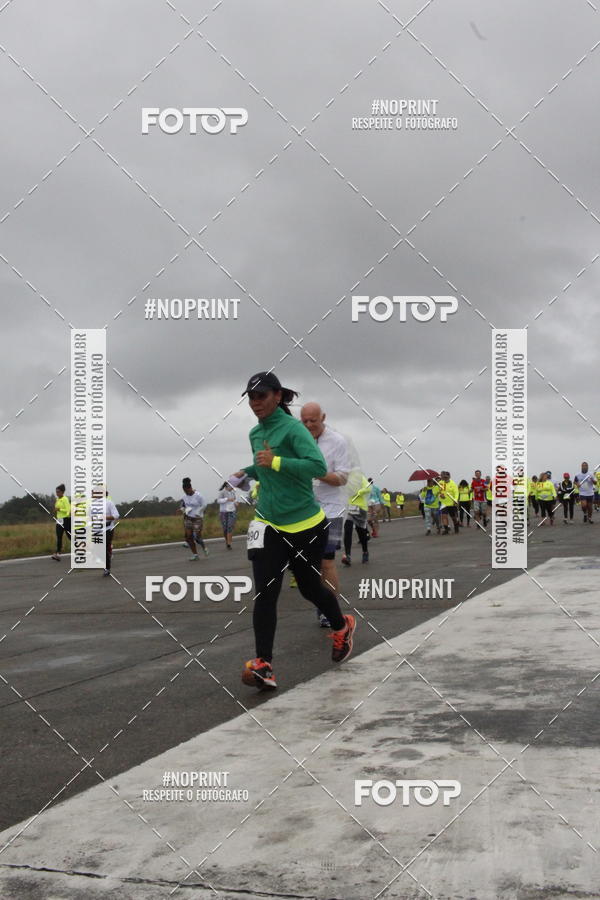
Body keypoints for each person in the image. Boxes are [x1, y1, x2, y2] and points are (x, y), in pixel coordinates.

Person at [231, 372, 355, 691]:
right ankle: (263, 664)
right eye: (250, 397)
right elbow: (263, 465)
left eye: (260, 396)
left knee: (310, 588)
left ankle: (341, 626)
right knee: (266, 593)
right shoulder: (255, 433)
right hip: (269, 522)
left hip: (306, 524)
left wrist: (275, 463)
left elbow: (316, 467)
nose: (254, 403)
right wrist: (246, 472)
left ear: (277, 396)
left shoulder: (294, 429)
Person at [300, 401, 352, 627]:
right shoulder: (299, 439)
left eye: (314, 420)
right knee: (311, 565)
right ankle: (323, 606)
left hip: (330, 509)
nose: (310, 425)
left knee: (327, 562)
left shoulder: (337, 441)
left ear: (324, 417)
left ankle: (330, 612)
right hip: (304, 509)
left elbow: (342, 478)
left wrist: (318, 473)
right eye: (305, 421)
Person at [342, 473, 371, 566]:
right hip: (349, 508)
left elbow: (368, 488)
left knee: (361, 533)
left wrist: (359, 492)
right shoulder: (344, 478)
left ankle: (365, 552)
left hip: (360, 508)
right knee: (348, 531)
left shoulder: (360, 477)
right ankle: (348, 556)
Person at [179, 477, 209, 559]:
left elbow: (204, 505)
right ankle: (195, 555)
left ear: (190, 488)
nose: (186, 493)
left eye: (187, 491)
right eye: (184, 491)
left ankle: (204, 547)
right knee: (189, 537)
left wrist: (198, 512)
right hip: (188, 518)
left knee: (197, 537)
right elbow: (183, 506)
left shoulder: (198, 496)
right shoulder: (184, 497)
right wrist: (182, 510)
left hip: (197, 518)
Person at [51, 483, 71, 561]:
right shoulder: (57, 499)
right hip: (59, 521)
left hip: (66, 520)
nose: (57, 493)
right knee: (59, 537)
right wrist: (56, 510)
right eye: (56, 492)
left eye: (58, 492)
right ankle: (58, 554)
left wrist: (59, 510)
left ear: (62, 492)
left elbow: (68, 510)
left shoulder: (65, 499)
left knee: (70, 536)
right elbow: (56, 508)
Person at [103, 490, 120, 576]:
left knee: (104, 548)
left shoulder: (109, 503)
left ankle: (107, 568)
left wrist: (105, 517)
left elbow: (116, 515)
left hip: (108, 529)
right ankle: (108, 556)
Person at [217, 482, 237, 549]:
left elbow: (234, 500)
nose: (232, 487)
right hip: (223, 512)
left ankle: (229, 544)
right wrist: (227, 499)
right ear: (227, 486)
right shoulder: (222, 492)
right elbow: (218, 501)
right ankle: (227, 541)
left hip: (232, 511)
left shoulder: (233, 492)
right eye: (231, 486)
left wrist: (236, 503)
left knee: (229, 527)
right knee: (225, 529)